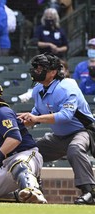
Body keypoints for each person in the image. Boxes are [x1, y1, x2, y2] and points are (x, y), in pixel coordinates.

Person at [17, 53, 95, 205]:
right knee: (30, 152)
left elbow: (66, 115)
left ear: (53, 72)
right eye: (36, 68)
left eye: (41, 68)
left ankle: (90, 192)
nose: (36, 71)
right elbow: (36, 113)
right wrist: (22, 121)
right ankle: (33, 189)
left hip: (84, 131)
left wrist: (36, 119)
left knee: (75, 148)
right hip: (59, 136)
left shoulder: (67, 86)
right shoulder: (38, 89)